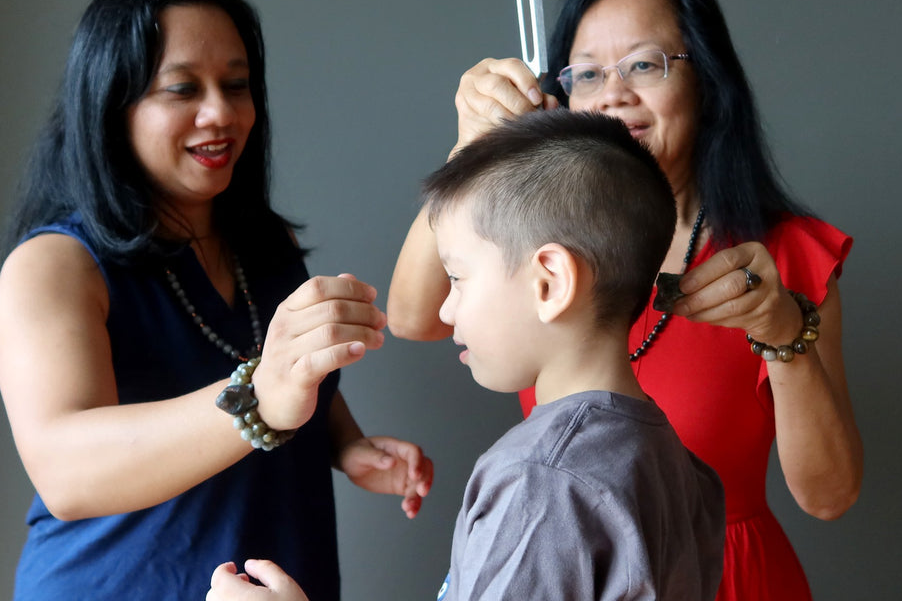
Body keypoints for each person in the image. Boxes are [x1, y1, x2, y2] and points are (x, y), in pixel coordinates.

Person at [387, 0, 862, 601]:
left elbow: (828, 496)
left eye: (644, 64)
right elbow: (416, 315)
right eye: (586, 73)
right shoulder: (542, 242)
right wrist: (474, 150)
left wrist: (784, 333)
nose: (612, 94)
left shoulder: (788, 255)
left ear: (706, 81)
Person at [0, 0, 433, 601]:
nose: (221, 113)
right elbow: (66, 472)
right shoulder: (54, 266)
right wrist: (261, 396)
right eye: (182, 89)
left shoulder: (266, 245)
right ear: (113, 105)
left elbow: (283, 370)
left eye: (236, 85)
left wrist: (346, 444)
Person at [208, 110, 726, 601]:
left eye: (457, 278)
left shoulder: (542, 481)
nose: (447, 309)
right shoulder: (680, 465)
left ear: (549, 283)